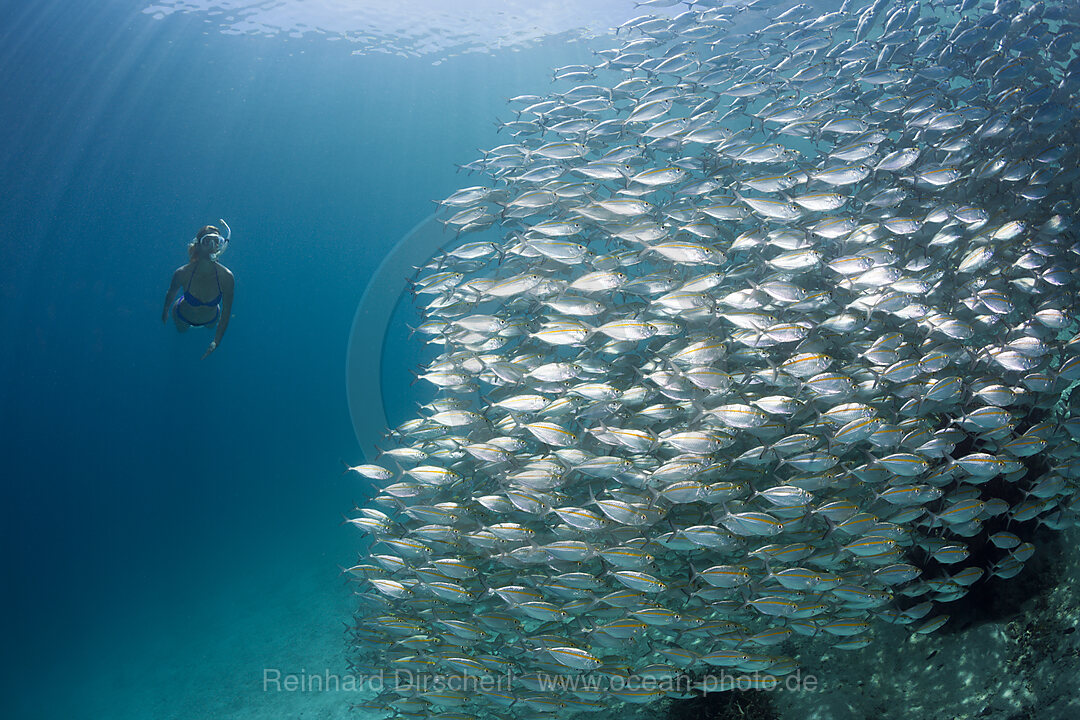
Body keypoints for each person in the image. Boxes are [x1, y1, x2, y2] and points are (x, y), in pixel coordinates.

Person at [162, 221, 235, 359]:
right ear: (198, 245)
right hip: (182, 317)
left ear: (222, 244)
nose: (213, 246)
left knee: (208, 330)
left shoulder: (227, 277)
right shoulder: (182, 273)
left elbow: (226, 313)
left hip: (211, 319)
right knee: (181, 334)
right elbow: (170, 293)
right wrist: (165, 311)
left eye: (217, 241)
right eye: (207, 241)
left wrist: (216, 342)